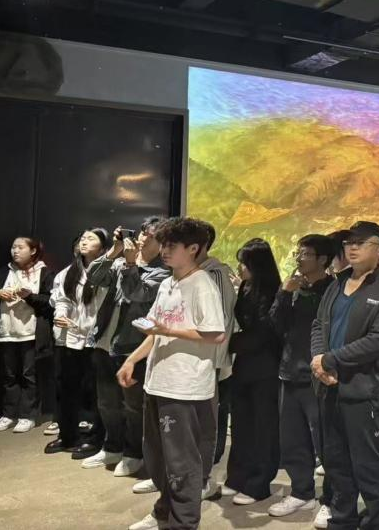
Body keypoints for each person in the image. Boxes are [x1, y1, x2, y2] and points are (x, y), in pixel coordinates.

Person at [119, 217, 227, 530]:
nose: (164, 251)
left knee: (182, 462)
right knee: (158, 457)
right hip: (158, 381)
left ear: (193, 249)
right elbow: (155, 330)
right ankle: (164, 511)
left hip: (185, 385)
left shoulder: (202, 284)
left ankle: (184, 522)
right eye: (163, 244)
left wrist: (169, 330)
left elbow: (216, 333)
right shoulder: (168, 282)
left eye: (171, 245)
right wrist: (131, 360)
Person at [311, 221, 379, 530]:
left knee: (368, 467)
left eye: (361, 243)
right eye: (349, 242)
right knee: (335, 463)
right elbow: (319, 324)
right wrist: (319, 361)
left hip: (364, 391)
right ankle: (342, 520)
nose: (352, 247)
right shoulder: (336, 283)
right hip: (328, 386)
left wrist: (331, 359)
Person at [84, 218, 169, 477]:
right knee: (107, 402)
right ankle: (112, 446)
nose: (143, 239)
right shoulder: (120, 261)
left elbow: (138, 294)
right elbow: (93, 277)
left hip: (132, 346)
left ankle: (134, 453)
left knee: (133, 406)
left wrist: (131, 265)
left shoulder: (162, 272)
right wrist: (114, 250)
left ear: (162, 244)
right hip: (104, 341)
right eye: (142, 233)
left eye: (151, 237)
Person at [268, 234, 337, 527]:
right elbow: (276, 325)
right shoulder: (293, 287)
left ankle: (332, 499)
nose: (299, 257)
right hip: (289, 371)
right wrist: (285, 293)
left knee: (326, 441)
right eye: (298, 252)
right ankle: (301, 492)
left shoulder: (333, 290)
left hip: (318, 375)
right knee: (292, 438)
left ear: (323, 259)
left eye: (306, 253)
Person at [45, 228, 111, 456]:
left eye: (91, 239)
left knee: (93, 391)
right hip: (69, 338)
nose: (84, 241)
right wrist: (60, 315)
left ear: (103, 248)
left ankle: (94, 439)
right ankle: (67, 435)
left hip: (95, 339)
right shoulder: (68, 272)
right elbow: (61, 299)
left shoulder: (109, 271)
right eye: (83, 238)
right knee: (66, 388)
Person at [226, 239, 282, 505]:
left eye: (245, 263)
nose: (241, 267)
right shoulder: (245, 287)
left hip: (266, 366)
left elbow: (265, 332)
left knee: (263, 427)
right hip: (244, 364)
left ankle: (259, 484)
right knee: (240, 423)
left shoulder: (273, 291)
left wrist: (228, 343)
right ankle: (237, 477)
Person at [0, 236, 55, 434]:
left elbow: (50, 302)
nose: (15, 251)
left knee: (29, 375)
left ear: (32, 251)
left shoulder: (45, 272)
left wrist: (28, 296)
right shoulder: (3, 272)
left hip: (31, 332)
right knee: (9, 375)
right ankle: (8, 415)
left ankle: (27, 416)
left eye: (20, 247)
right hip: (6, 331)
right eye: (13, 247)